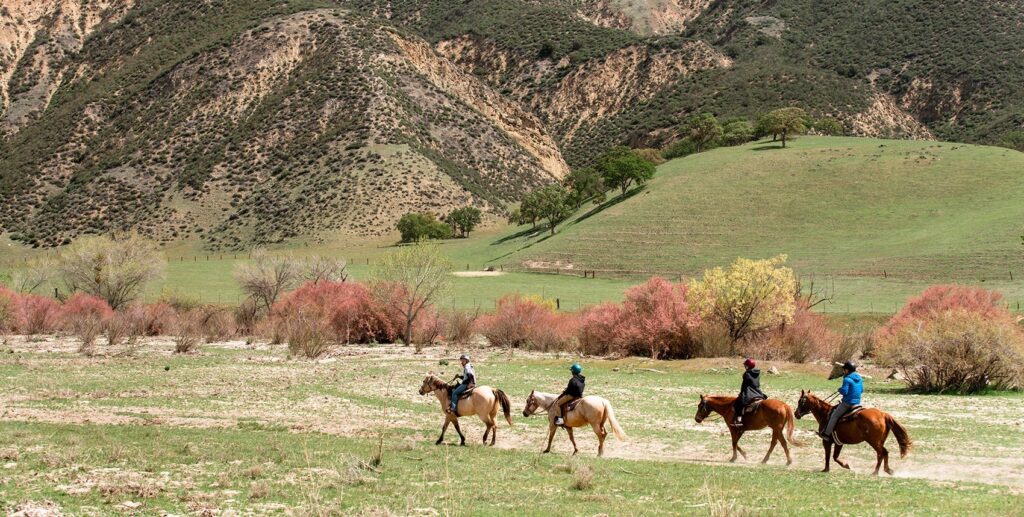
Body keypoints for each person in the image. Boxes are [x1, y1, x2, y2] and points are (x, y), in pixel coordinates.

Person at [820, 361, 863, 440]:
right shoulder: (859, 378)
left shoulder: (847, 379)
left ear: (847, 370)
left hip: (848, 403)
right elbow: (861, 390)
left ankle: (826, 434)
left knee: (834, 416)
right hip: (857, 403)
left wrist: (840, 389)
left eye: (844, 370)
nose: (844, 371)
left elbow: (844, 391)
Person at [731, 358, 767, 427]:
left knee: (738, 404)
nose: (745, 366)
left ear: (748, 366)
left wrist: (742, 393)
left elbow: (744, 385)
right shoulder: (757, 373)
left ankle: (739, 420)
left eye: (746, 365)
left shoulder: (747, 374)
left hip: (749, 392)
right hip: (758, 392)